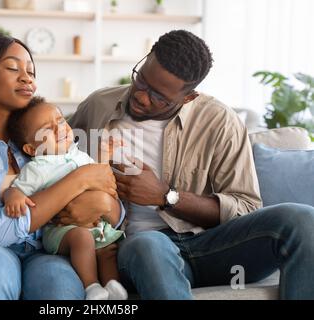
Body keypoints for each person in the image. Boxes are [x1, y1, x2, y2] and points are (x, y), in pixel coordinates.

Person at [68, 29, 314, 299]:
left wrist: (166, 196)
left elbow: (246, 209)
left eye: (158, 96)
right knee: (149, 244)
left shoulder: (219, 121)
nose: (141, 96)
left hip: (212, 247)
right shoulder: (98, 106)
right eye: (140, 80)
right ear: (146, 59)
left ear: (188, 97)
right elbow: (53, 157)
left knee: (303, 219)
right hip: (137, 248)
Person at [0, 31, 125, 300]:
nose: (26, 77)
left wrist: (105, 204)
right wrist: (80, 180)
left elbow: (106, 194)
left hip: (46, 249)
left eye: (31, 71)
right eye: (12, 68)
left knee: (60, 285)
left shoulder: (50, 135)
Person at [3, 97, 127, 300]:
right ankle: (91, 286)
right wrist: (13, 195)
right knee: (83, 238)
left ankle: (112, 287)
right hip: (61, 232)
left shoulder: (80, 156)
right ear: (31, 149)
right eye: (46, 129)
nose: (58, 128)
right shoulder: (38, 167)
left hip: (95, 225)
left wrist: (105, 155)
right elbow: (17, 189)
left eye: (60, 121)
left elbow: (101, 179)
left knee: (108, 249)